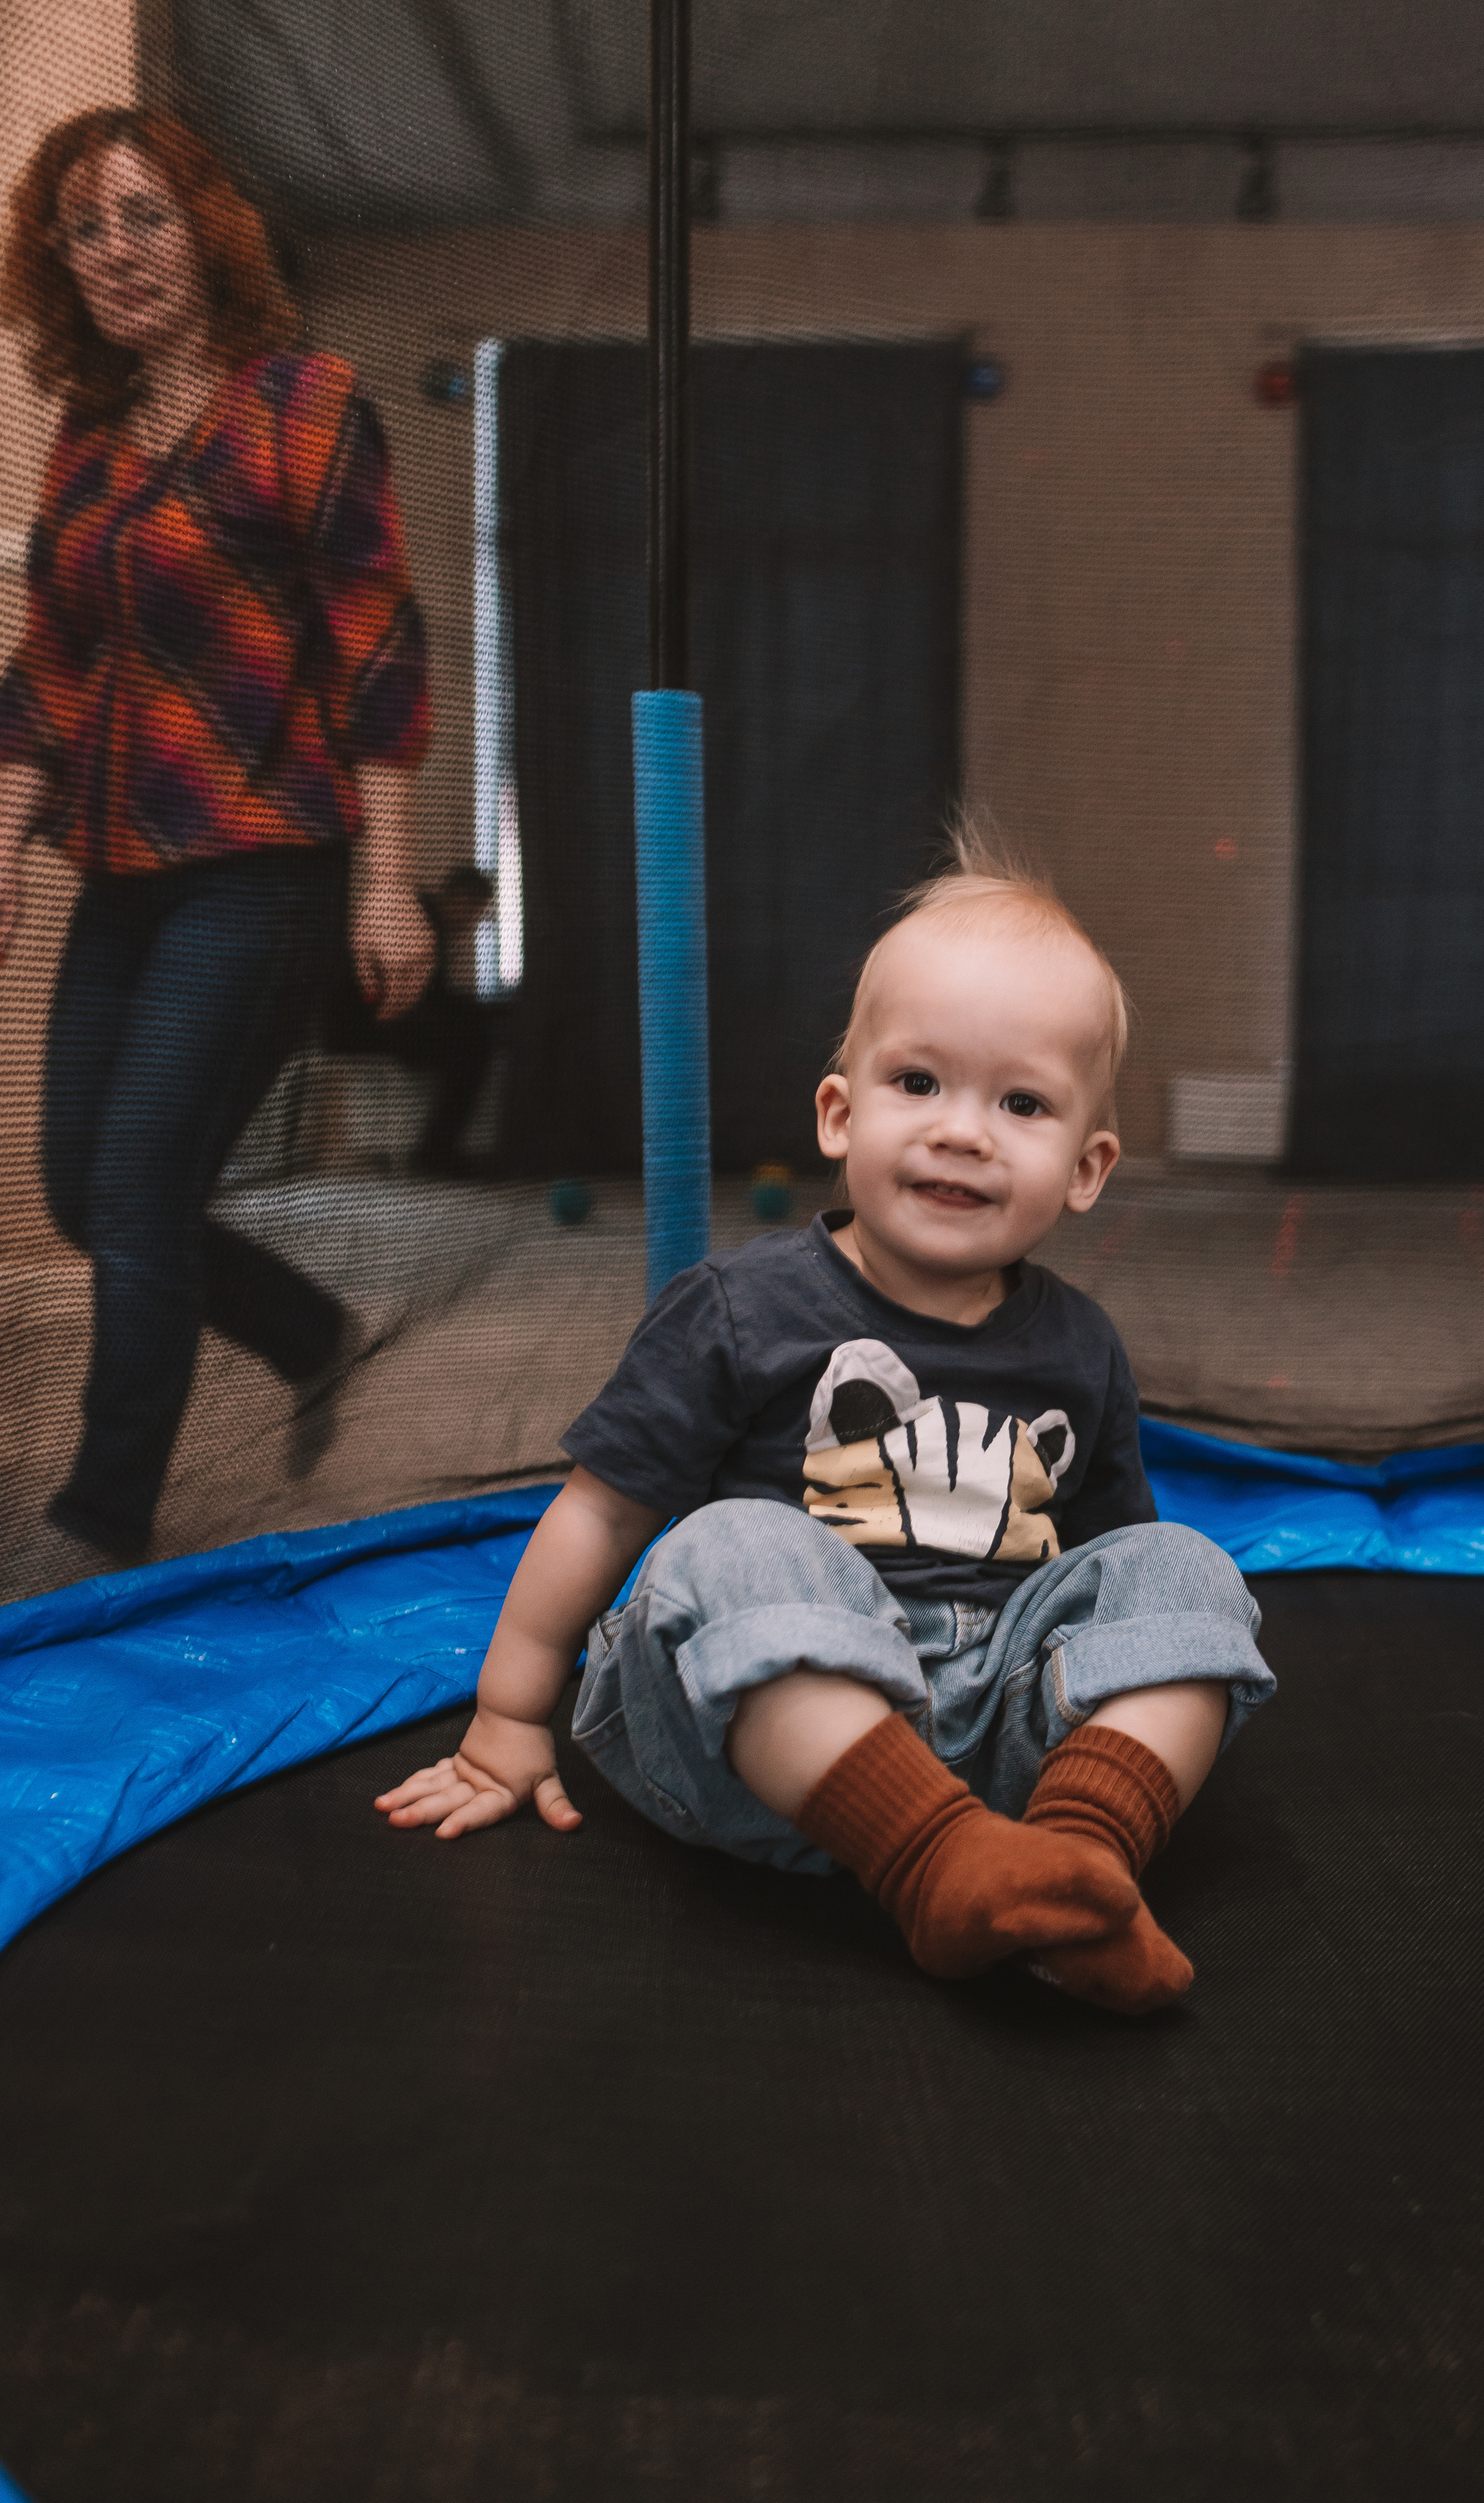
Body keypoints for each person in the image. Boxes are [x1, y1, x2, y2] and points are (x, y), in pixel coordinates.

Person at [377, 825, 1275, 2013]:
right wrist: (505, 1717)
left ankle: (1073, 1859)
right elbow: (598, 1518)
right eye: (920, 1084)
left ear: (1087, 1167)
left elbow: (1108, 1581)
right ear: (840, 1116)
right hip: (764, 1742)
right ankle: (931, 1860)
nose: (962, 1129)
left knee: (1186, 1568)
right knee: (729, 1546)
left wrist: (1102, 1673)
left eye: (1021, 1103)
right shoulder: (739, 1313)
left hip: (993, 1735)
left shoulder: (1080, 1348)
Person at [0, 107, 433, 1573]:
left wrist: (388, 883)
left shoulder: (304, 403)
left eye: (144, 215)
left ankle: (97, 1522)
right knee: (82, 1186)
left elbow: (375, 644)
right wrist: (2, 843)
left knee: (133, 1191)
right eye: (83, 227)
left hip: (268, 862)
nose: (115, 251)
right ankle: (314, 1331)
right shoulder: (88, 433)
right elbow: (51, 660)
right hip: (122, 868)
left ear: (207, 230)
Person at [323, 860, 506, 1176]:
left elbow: (430, 995)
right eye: (476, 914)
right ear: (461, 900)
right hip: (366, 1024)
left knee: (471, 1034)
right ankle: (436, 1151)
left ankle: (437, 1149)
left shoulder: (427, 922)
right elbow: (414, 998)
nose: (475, 925)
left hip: (373, 1020)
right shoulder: (420, 923)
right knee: (472, 1048)